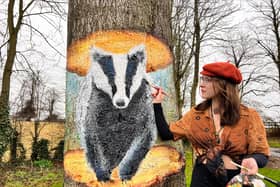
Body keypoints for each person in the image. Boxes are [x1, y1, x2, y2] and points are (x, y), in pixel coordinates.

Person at [152, 61, 270, 187]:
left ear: (224, 84)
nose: (201, 84)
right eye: (202, 78)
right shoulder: (196, 115)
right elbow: (167, 133)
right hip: (202, 179)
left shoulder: (249, 116)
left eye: (208, 80)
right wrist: (157, 104)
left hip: (236, 180)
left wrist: (253, 160)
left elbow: (262, 154)